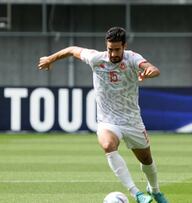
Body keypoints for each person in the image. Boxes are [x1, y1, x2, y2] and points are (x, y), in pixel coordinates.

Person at [38, 27, 168, 203]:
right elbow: (71, 50)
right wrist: (49, 59)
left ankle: (155, 190)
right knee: (108, 145)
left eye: (117, 49)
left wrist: (151, 71)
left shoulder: (132, 58)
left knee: (146, 159)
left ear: (124, 46)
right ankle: (136, 193)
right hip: (107, 120)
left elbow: (151, 68)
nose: (113, 53)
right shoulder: (96, 58)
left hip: (132, 120)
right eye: (110, 49)